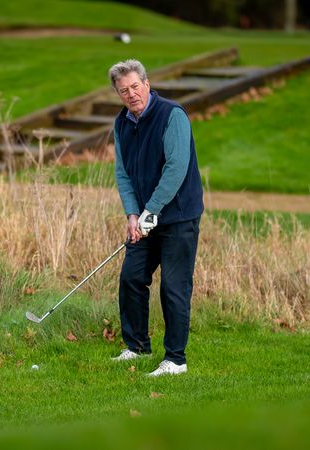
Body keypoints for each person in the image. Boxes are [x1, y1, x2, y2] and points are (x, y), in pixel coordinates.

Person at [107, 59, 203, 377]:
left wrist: (152, 212)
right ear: (119, 94)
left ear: (147, 83)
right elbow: (123, 173)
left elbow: (176, 167)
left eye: (136, 86)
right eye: (124, 90)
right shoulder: (122, 124)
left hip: (177, 216)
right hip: (146, 216)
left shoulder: (171, 115)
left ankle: (176, 360)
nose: (132, 94)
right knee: (132, 277)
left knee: (173, 287)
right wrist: (133, 215)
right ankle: (136, 347)